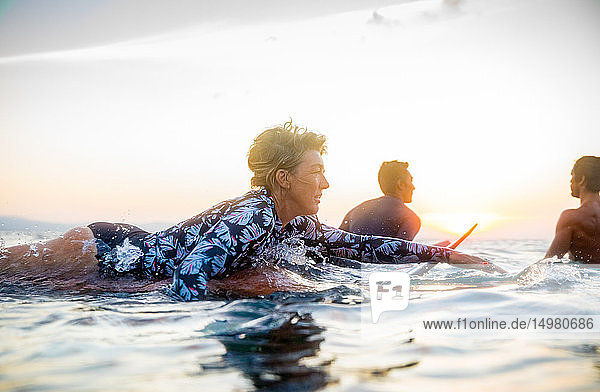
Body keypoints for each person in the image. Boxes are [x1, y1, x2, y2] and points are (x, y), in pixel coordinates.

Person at [0, 122, 502, 301]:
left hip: (127, 250)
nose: (326, 182)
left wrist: (437, 257)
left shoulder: (297, 222)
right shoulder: (255, 216)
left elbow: (360, 245)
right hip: (102, 250)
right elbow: (189, 278)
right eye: (316, 172)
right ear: (284, 179)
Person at [340, 161, 420, 240]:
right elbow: (400, 250)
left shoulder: (355, 212)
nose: (413, 187)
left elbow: (335, 244)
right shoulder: (410, 218)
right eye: (410, 180)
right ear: (400, 184)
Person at [546, 156, 600, 263]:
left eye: (572, 175)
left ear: (582, 180)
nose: (570, 181)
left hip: (586, 278)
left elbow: (548, 264)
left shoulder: (571, 218)